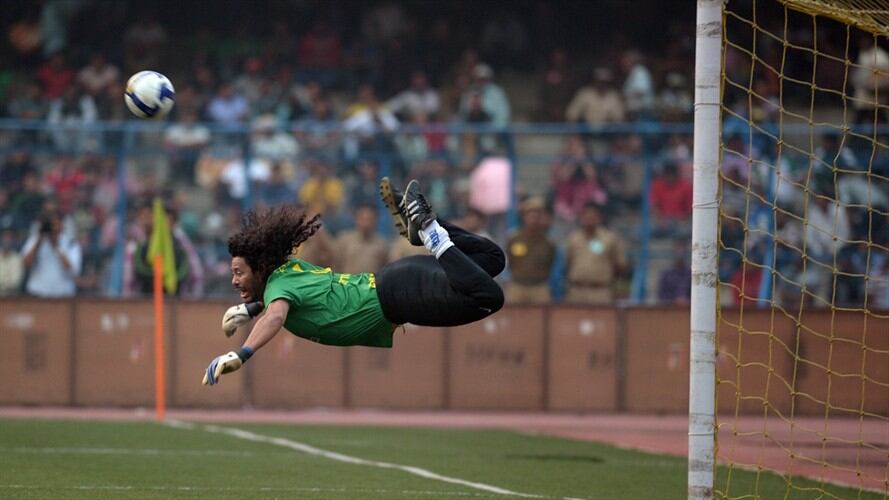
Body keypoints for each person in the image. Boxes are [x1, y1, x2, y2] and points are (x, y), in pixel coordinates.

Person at [202, 178, 505, 385]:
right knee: (492, 258)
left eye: (239, 272)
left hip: (400, 297)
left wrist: (242, 353)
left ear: (260, 269)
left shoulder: (278, 289)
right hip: (398, 279)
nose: (234, 280)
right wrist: (251, 309)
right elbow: (287, 302)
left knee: (489, 298)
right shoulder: (288, 270)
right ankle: (426, 229)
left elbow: (276, 316)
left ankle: (429, 231)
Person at [21, 209, 82, 298]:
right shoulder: (35, 241)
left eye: (55, 224)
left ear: (61, 225)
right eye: (50, 225)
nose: (52, 228)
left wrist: (56, 247)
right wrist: (38, 242)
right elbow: (25, 265)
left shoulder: (70, 243)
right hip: (37, 294)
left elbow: (74, 270)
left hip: (63, 296)